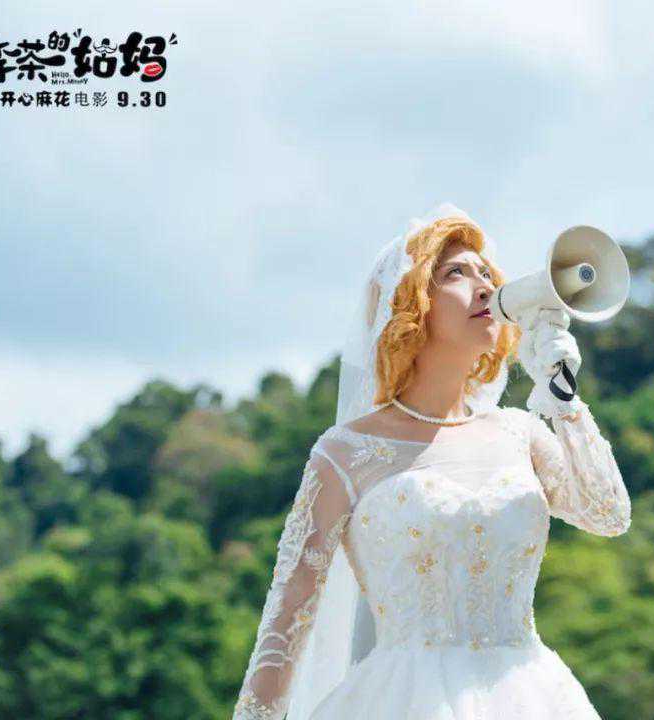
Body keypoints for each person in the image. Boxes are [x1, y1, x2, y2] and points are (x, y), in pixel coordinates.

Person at [232, 203, 631, 719]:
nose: (484, 287)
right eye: (456, 273)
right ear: (409, 305)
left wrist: (562, 396)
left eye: (486, 273)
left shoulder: (520, 433)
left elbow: (608, 513)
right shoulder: (345, 453)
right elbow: (287, 623)